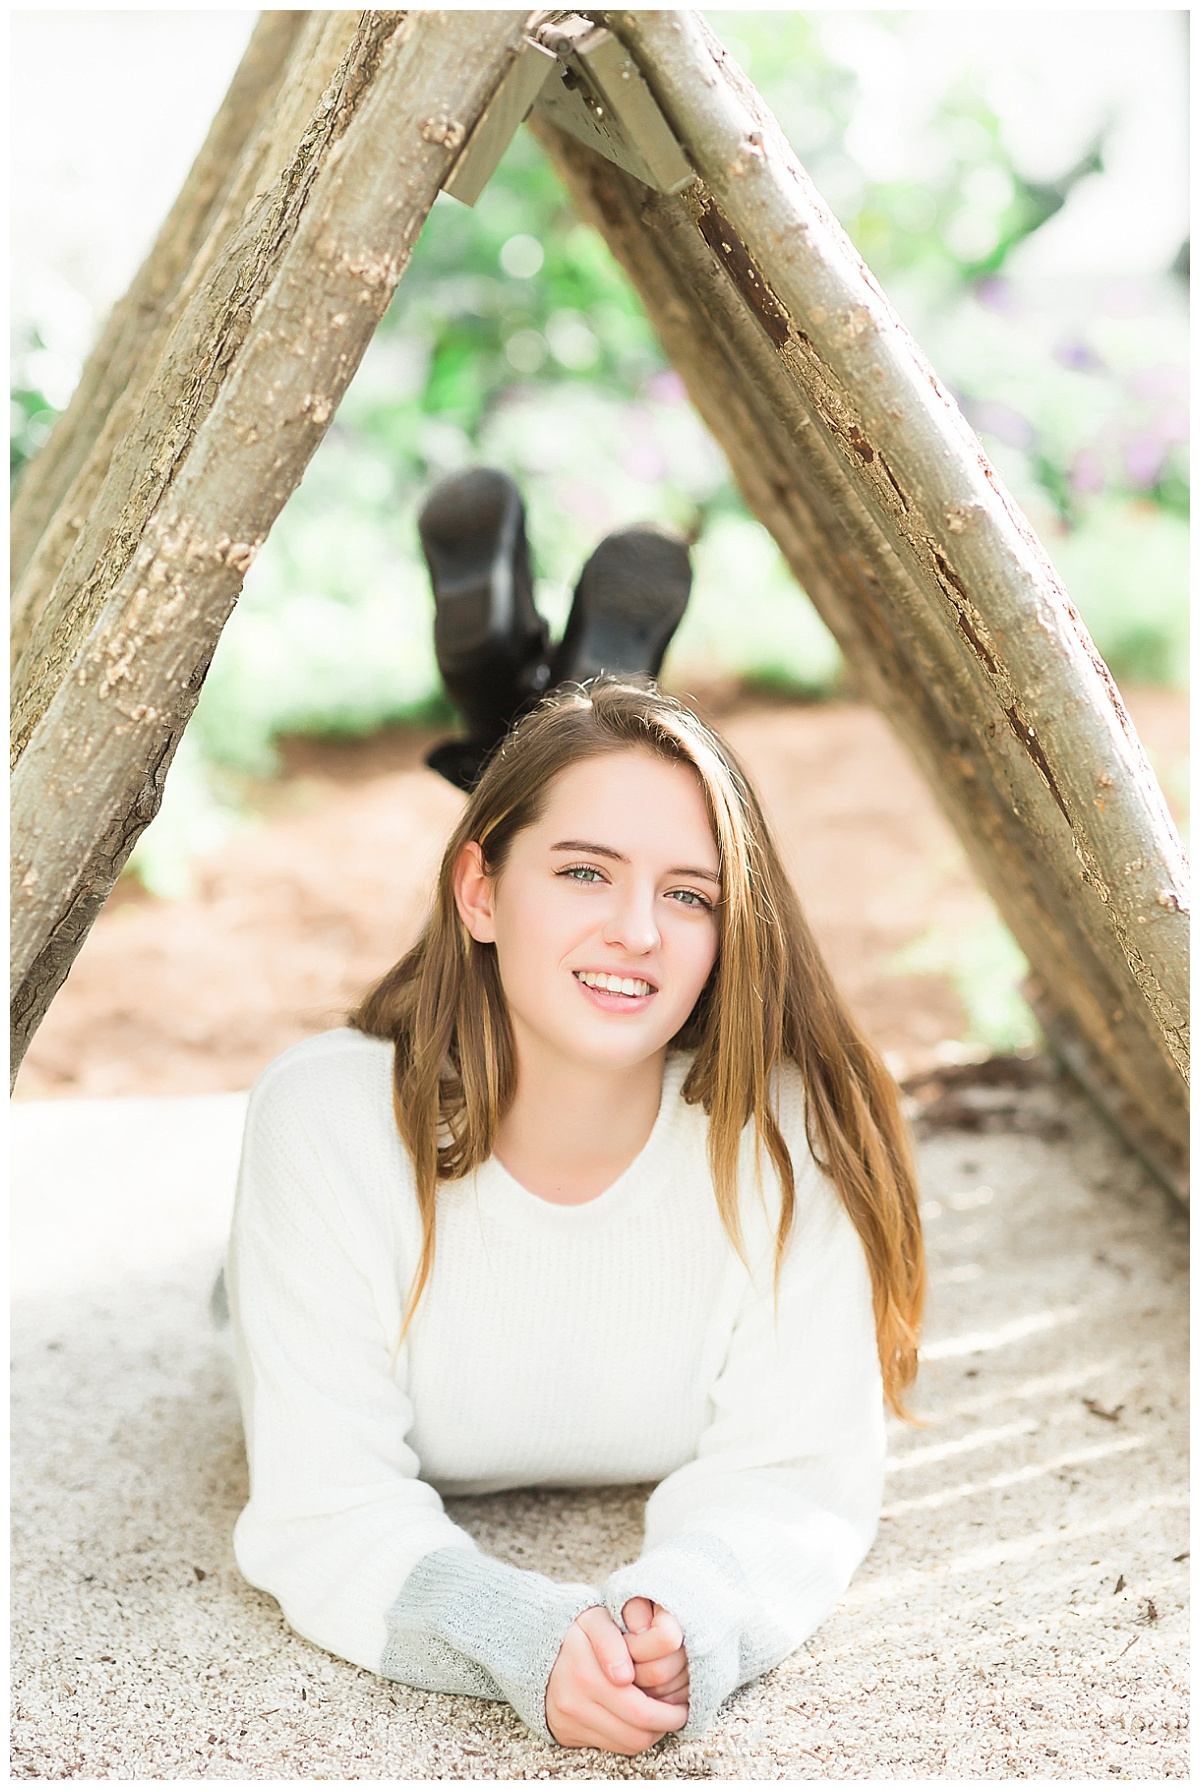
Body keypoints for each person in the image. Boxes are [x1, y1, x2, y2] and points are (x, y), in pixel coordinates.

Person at [226, 671, 925, 1756]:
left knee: (587, 758)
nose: (638, 929)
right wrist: (522, 1636)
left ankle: (570, 682)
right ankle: (543, 679)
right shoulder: (324, 1123)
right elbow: (320, 1506)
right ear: (480, 891)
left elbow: (801, 1473)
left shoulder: (787, 1136)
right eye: (584, 870)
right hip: (280, 1264)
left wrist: (695, 1609)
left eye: (689, 893)